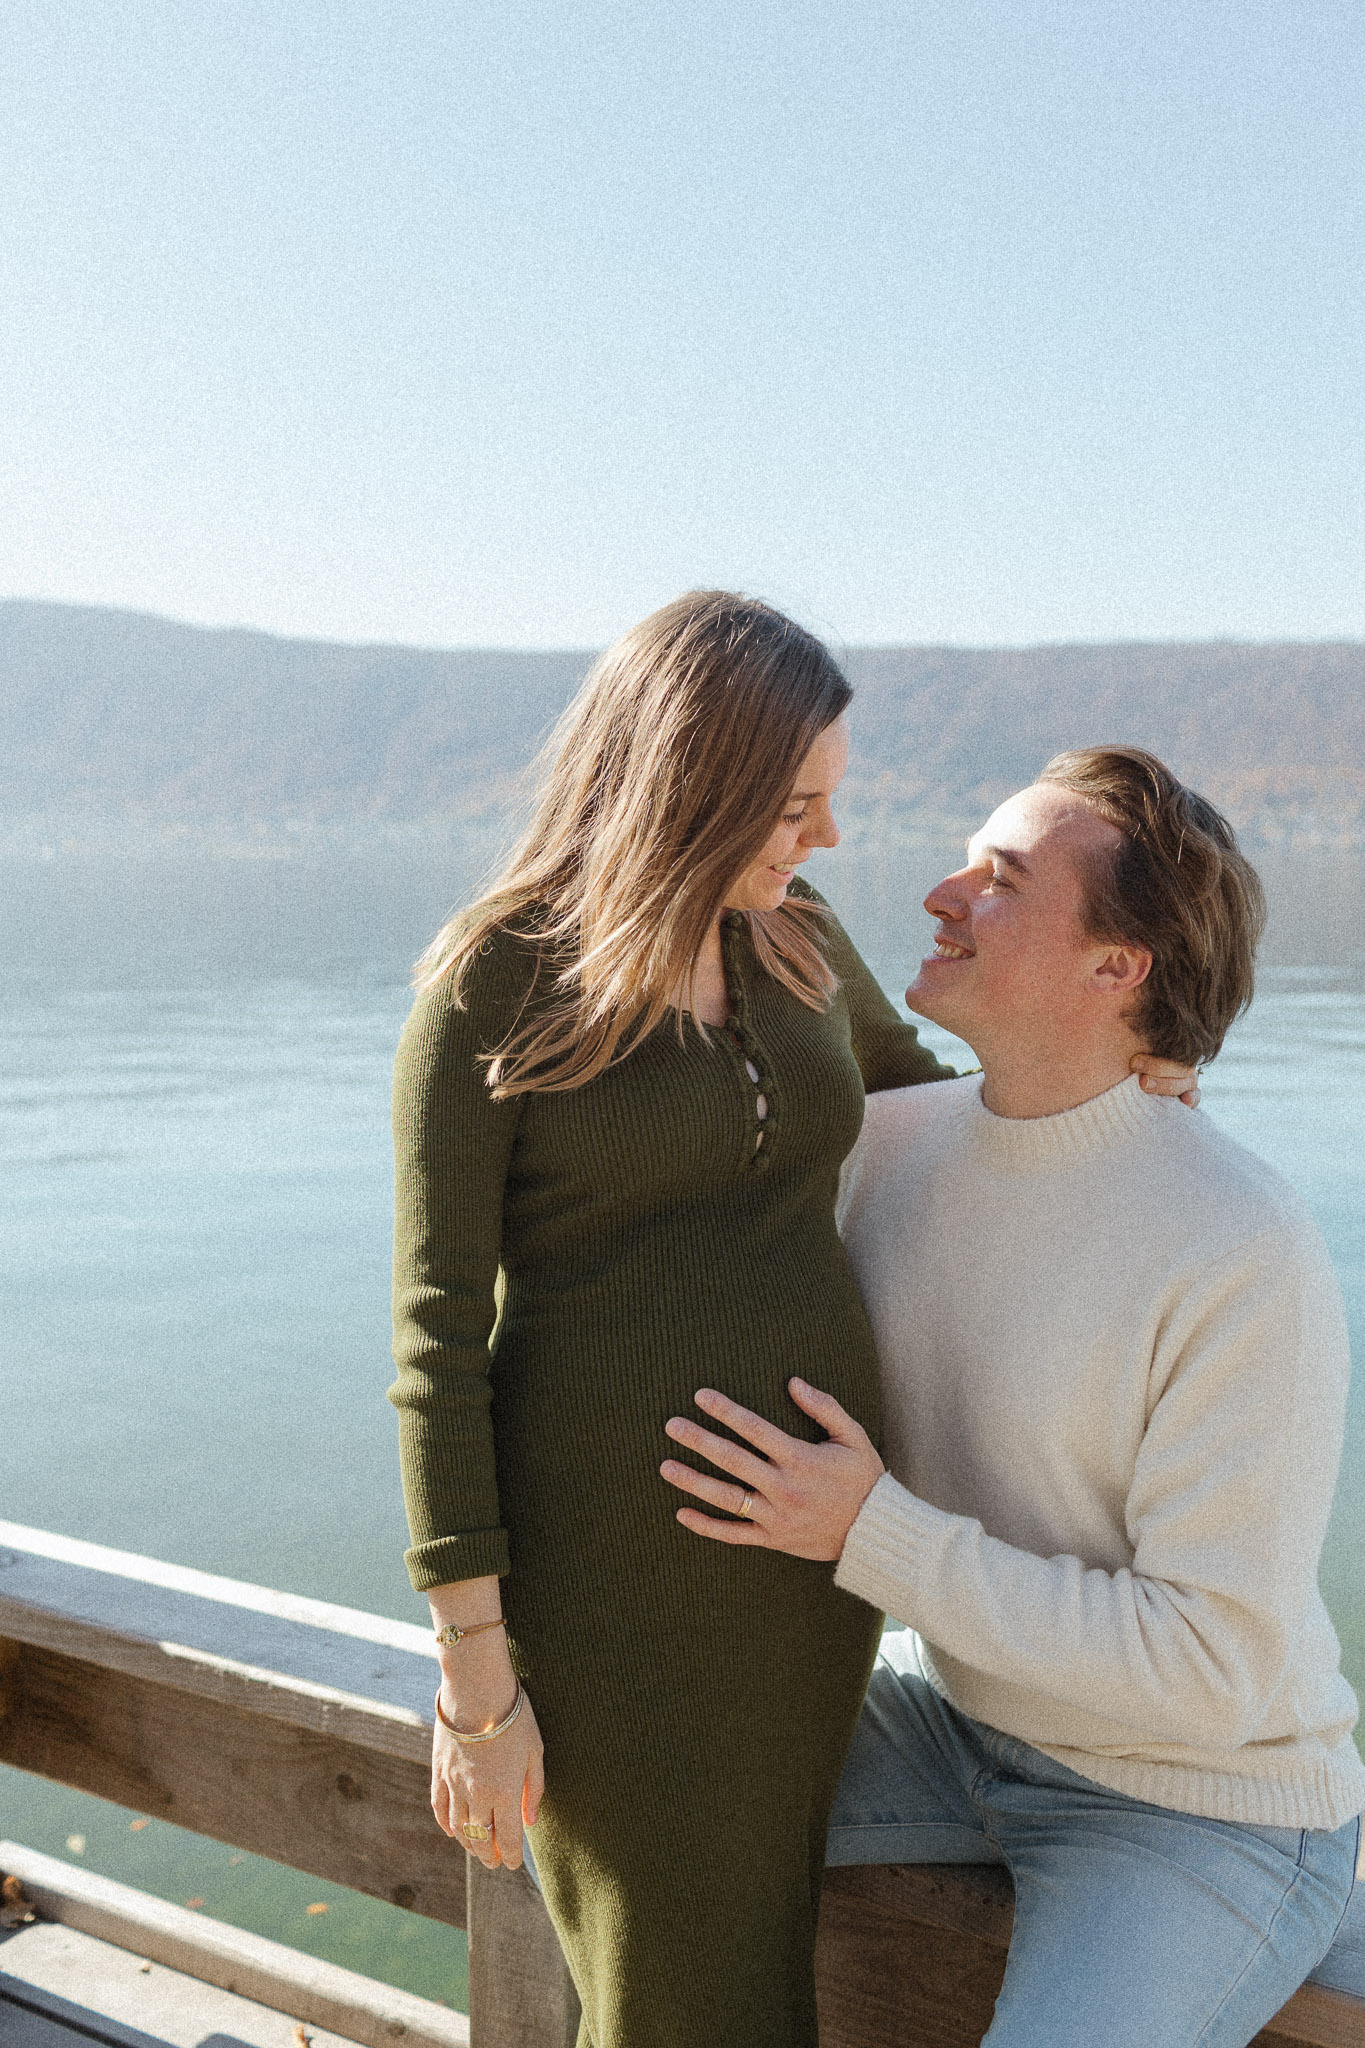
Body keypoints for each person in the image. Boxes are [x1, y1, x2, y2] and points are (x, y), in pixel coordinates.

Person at [389, 601, 1192, 2046]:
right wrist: (476, 1682)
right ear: (690, 777)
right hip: (607, 1589)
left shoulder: (793, 939)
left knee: (750, 1967)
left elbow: (930, 1096)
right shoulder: (494, 980)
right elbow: (436, 1343)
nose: (822, 837)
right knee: (667, 1988)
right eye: (796, 802)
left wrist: (1124, 1084)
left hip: (802, 1578)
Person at [662, 746, 1364, 2048]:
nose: (939, 892)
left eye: (998, 879)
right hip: (949, 1720)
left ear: (1118, 968)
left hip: (1194, 1801)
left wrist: (867, 1532)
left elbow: (1214, 1670)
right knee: (601, 1802)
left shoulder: (1236, 1245)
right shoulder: (890, 1149)